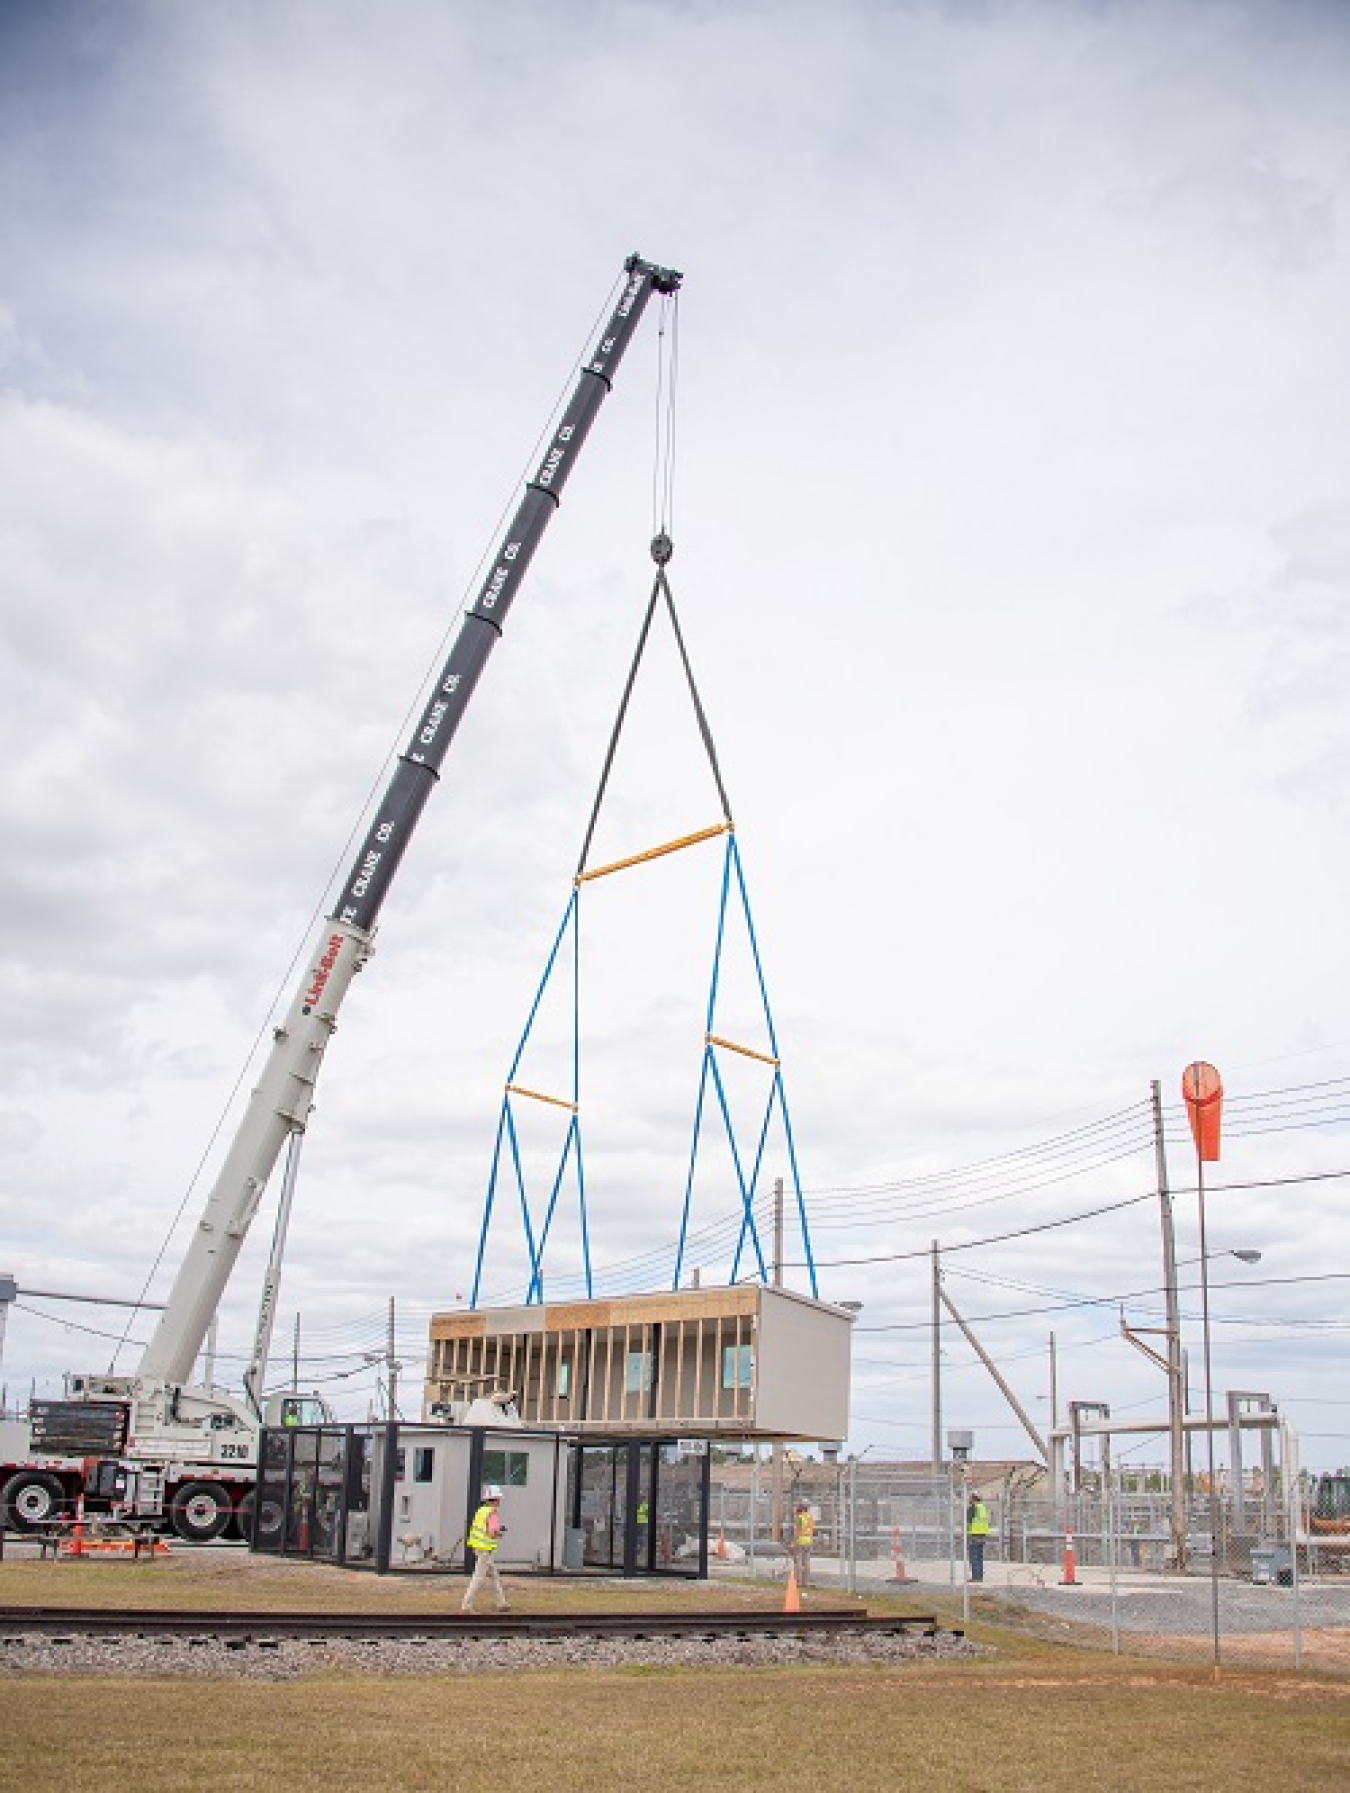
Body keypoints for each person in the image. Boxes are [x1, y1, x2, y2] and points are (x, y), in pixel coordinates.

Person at [462, 1486, 509, 1612]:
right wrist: (500, 1532)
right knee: (478, 1577)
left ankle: (501, 1602)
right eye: (498, 1499)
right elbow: (492, 1532)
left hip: (478, 1547)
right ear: (494, 1500)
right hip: (485, 1550)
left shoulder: (481, 1511)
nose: (499, 1501)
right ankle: (467, 1604)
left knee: (494, 1575)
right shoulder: (492, 1513)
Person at [790, 1500, 815, 1590]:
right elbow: (812, 1529)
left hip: (800, 1541)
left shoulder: (799, 1518)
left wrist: (793, 1542)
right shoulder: (810, 1517)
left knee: (798, 1561)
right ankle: (806, 1582)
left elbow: (798, 1531)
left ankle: (799, 1582)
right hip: (809, 1540)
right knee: (806, 1562)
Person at [966, 1491, 990, 1583]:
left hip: (974, 1534)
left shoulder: (973, 1508)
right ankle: (979, 1577)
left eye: (970, 1498)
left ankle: (976, 1577)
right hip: (983, 1535)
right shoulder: (983, 1507)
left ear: (973, 1498)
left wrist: (967, 1534)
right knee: (979, 1556)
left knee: (974, 1556)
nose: (969, 1499)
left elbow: (969, 1523)